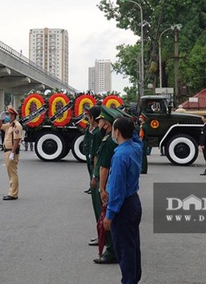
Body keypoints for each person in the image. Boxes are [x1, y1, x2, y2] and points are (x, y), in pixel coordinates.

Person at [104, 116, 143, 284]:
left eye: (113, 128)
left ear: (117, 132)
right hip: (133, 201)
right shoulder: (135, 148)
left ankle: (128, 281)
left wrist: (110, 215)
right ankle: (133, 279)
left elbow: (118, 189)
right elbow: (136, 139)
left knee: (124, 249)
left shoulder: (120, 156)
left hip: (123, 206)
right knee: (133, 245)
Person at [92, 106, 121, 264]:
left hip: (106, 184)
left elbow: (104, 167)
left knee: (107, 216)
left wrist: (102, 188)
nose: (99, 123)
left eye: (101, 120)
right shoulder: (108, 138)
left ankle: (111, 250)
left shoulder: (109, 141)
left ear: (107, 124)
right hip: (108, 183)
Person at [85, 106, 103, 247]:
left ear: (92, 118)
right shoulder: (95, 131)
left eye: (88, 116)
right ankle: (101, 235)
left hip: (96, 172)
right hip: (95, 169)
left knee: (98, 206)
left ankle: (102, 236)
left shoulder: (97, 133)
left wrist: (94, 176)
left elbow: (97, 156)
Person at [0, 106, 22, 200]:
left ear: (14, 115)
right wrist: (0, 118)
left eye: (9, 114)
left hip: (11, 151)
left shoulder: (16, 125)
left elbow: (17, 140)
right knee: (10, 173)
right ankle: (12, 192)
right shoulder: (10, 125)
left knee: (12, 173)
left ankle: (13, 194)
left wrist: (12, 152)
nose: (8, 116)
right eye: (7, 114)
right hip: (6, 150)